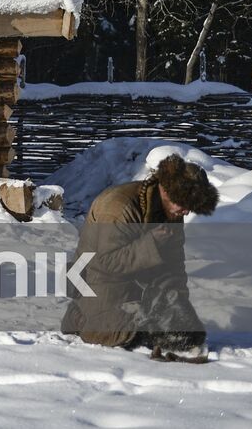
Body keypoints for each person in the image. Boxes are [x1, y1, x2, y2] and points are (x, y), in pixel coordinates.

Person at [61, 154, 219, 361]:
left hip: (135, 278)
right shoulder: (119, 206)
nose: (186, 210)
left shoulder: (173, 210)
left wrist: (179, 310)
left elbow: (174, 268)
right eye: (183, 202)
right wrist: (151, 244)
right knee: (116, 332)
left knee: (184, 335)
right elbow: (105, 262)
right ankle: (80, 316)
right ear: (165, 189)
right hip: (95, 277)